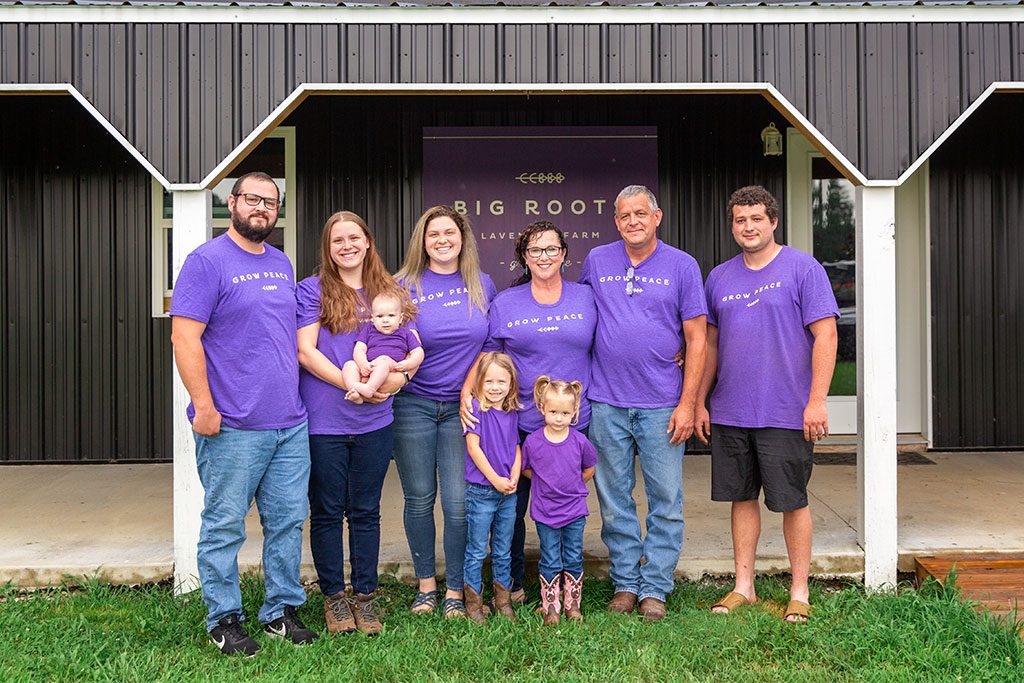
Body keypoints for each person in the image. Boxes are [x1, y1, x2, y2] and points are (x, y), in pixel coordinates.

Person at [170, 171, 315, 656]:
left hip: (289, 423)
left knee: (288, 520)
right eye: (252, 199)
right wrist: (205, 407)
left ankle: (280, 610)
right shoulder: (206, 261)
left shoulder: (279, 262)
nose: (261, 208)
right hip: (231, 424)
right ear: (231, 203)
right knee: (225, 524)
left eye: (270, 202)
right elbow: (184, 337)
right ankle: (224, 617)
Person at [696, 185, 838, 624]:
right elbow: (711, 343)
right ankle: (744, 586)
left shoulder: (802, 268)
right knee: (741, 498)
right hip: (732, 409)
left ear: (773, 221)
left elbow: (827, 335)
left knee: (792, 500)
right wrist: (700, 400)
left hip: (786, 410)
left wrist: (816, 401)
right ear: (732, 225)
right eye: (740, 219)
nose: (748, 226)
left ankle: (800, 590)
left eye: (756, 218)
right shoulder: (719, 276)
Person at [580, 184, 708, 621]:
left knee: (665, 500)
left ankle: (655, 586)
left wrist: (688, 402)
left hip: (662, 404)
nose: (632, 221)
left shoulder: (682, 265)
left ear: (657, 216)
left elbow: (696, 338)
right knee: (614, 497)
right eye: (623, 215)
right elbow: (579, 314)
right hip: (607, 402)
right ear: (615, 222)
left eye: (640, 213)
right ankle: (625, 584)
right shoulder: (597, 260)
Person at [461, 220, 597, 604]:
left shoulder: (586, 297)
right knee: (513, 508)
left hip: (573, 424)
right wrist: (465, 393)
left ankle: (567, 583)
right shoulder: (506, 302)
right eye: (535, 250)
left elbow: (618, 333)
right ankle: (515, 584)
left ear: (565, 254)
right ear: (524, 257)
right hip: (519, 427)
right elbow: (487, 355)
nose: (544, 257)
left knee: (569, 503)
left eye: (552, 249)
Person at [296, 211, 414, 636]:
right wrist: (356, 384)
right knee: (327, 511)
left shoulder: (390, 292)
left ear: (368, 241)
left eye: (353, 237)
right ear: (328, 249)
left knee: (365, 511)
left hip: (375, 421)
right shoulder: (313, 291)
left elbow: (409, 350)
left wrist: (392, 383)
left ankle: (365, 597)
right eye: (336, 241)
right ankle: (334, 599)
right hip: (324, 421)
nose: (346, 246)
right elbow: (306, 352)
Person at [392, 206, 497, 618]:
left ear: (462, 238)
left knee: (458, 503)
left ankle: (456, 587)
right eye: (433, 234)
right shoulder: (402, 285)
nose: (441, 240)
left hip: (463, 409)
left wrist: (469, 391)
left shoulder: (481, 283)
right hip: (413, 404)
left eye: (449, 233)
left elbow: (489, 346)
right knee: (419, 499)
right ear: (422, 240)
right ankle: (425, 585)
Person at [521, 376, 597, 626]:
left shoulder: (580, 441)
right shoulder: (533, 442)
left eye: (565, 412)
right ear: (542, 408)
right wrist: (545, 485)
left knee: (573, 555)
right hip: (545, 512)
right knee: (550, 556)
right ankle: (550, 605)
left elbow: (589, 469)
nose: (558, 417)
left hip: (574, 510)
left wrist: (573, 486)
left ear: (574, 412)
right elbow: (526, 470)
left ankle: (572, 604)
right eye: (553, 411)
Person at [462, 352, 522, 623]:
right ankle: (473, 604)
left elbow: (516, 447)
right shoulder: (476, 409)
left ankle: (503, 600)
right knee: (476, 549)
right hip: (482, 492)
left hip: (507, 493)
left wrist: (513, 476)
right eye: (489, 381)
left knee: (502, 548)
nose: (495, 387)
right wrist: (495, 479)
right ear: (479, 382)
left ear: (511, 383)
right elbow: (474, 449)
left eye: (502, 381)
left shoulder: (511, 412)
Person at [341, 291, 424, 402]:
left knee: (383, 360)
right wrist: (363, 364)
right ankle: (354, 390)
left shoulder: (405, 333)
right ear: (373, 318)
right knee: (349, 365)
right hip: (369, 366)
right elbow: (359, 348)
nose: (385, 320)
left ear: (400, 318)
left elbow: (418, 352)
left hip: (391, 369)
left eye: (391, 315)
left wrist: (408, 364)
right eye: (380, 316)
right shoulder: (369, 330)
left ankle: (369, 388)